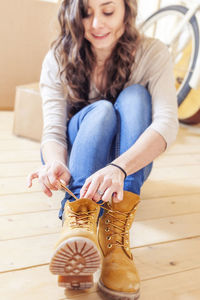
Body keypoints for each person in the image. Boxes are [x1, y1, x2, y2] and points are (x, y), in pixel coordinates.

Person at [27, 0, 179, 299]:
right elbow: (54, 131)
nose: (96, 24)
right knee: (102, 111)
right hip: (80, 157)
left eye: (108, 11)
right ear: (73, 15)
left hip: (126, 168)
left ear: (126, 9)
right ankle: (77, 222)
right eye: (86, 13)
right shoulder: (58, 56)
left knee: (136, 96)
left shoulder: (153, 52)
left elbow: (166, 125)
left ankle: (114, 229)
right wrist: (55, 163)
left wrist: (119, 167)